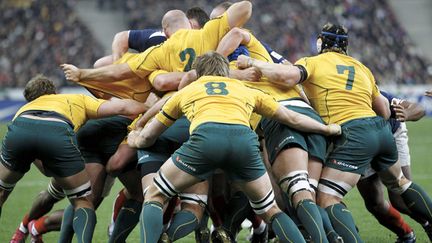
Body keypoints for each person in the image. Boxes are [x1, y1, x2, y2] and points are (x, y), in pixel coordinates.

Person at [236, 23, 432, 243]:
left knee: (327, 197)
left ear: (321, 42)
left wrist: (254, 63)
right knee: (400, 184)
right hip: (382, 131)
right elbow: (384, 110)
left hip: (352, 133)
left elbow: (287, 76)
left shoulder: (313, 62)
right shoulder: (361, 67)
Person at [127, 51, 342, 243]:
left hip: (205, 140)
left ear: (199, 73)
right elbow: (291, 118)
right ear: (226, 72)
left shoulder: (188, 91)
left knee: (155, 195)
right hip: (244, 144)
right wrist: (325, 129)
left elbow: (149, 135)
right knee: (270, 210)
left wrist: (135, 138)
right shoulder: (244, 88)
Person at [0, 74, 148, 243]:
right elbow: (122, 107)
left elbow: (43, 167)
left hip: (27, 133)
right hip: (64, 140)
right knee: (82, 202)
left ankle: (25, 227)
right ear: (55, 92)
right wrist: (152, 107)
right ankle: (29, 226)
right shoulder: (73, 99)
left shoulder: (24, 110)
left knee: (43, 193)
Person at [61, 1, 253, 88]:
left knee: (105, 63)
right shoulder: (209, 32)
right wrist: (214, 59)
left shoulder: (158, 51)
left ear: (165, 31)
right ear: (189, 23)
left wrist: (82, 73)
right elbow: (245, 6)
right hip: (224, 93)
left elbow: (118, 71)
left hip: (183, 101)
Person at [357, 91, 426, 243]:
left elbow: (419, 108)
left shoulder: (370, 91)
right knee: (375, 204)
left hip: (392, 134)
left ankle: (428, 222)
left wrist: (406, 114)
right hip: (360, 143)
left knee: (401, 198)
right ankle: (406, 234)